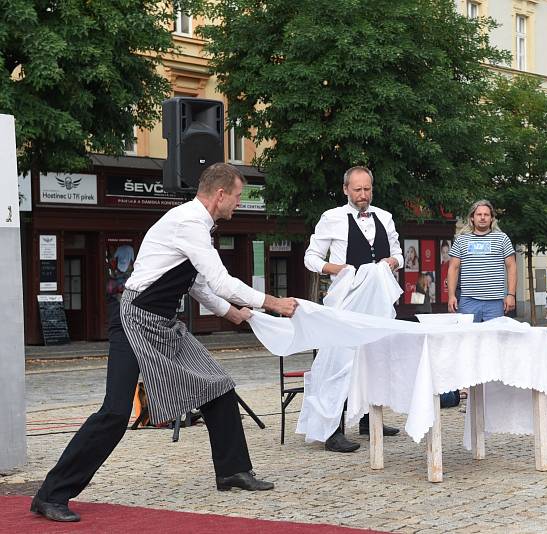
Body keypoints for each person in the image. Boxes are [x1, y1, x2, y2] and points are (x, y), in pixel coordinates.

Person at [31, 163, 299, 523]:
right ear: (220, 195)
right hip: (133, 320)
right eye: (237, 197)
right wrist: (273, 302)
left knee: (218, 385)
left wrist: (234, 313)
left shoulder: (198, 225)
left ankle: (233, 470)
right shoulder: (190, 223)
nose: (238, 204)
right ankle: (51, 494)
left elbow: (199, 284)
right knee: (114, 412)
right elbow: (221, 281)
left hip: (162, 324)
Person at [303, 165, 403, 453]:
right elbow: (310, 257)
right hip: (345, 302)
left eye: (367, 189)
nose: (363, 195)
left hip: (377, 303)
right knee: (338, 363)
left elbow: (397, 253)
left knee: (375, 358)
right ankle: (332, 429)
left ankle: (370, 419)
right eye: (357, 190)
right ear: (346, 189)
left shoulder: (385, 217)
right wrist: (335, 268)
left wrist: (392, 263)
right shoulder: (331, 218)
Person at [447, 200, 516, 321]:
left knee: (493, 339)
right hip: (468, 301)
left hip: (495, 302)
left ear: (492, 218)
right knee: (468, 338)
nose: (483, 217)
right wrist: (451, 295)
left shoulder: (502, 238)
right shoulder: (461, 240)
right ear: (472, 217)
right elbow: (453, 268)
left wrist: (511, 294)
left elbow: (511, 267)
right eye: (479, 214)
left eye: (486, 214)